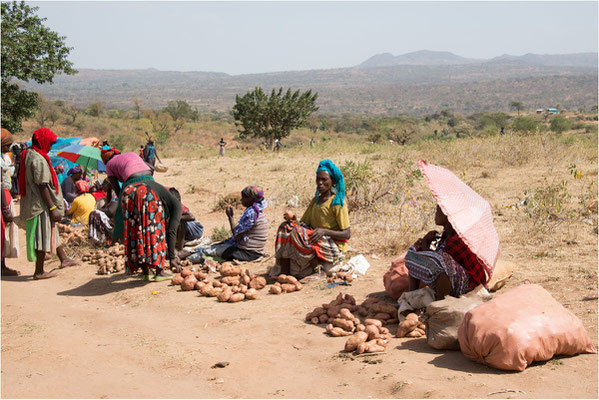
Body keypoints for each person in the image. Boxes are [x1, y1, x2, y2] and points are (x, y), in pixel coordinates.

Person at [102, 148, 181, 279]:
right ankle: (159, 272)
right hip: (146, 189)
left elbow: (118, 190)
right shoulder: (177, 206)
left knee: (137, 229)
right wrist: (172, 258)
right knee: (155, 230)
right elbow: (172, 231)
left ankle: (145, 271)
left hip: (128, 189)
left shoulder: (110, 165)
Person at [271, 160, 350, 279]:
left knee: (298, 232)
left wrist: (324, 231)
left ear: (332, 181)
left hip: (332, 245)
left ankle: (318, 270)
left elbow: (347, 234)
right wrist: (292, 220)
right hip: (316, 239)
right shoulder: (316, 201)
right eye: (318, 179)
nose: (320, 183)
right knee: (286, 227)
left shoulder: (337, 203)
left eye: (324, 180)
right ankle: (284, 269)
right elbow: (304, 224)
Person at [19, 128, 79, 279]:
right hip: (40, 204)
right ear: (43, 141)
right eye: (50, 143)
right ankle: (39, 271)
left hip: (37, 201)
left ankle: (63, 259)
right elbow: (42, 185)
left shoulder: (30, 154)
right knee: (42, 235)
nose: (51, 147)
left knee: (51, 230)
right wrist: (52, 207)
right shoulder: (38, 159)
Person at [404, 205, 488, 300]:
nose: (435, 214)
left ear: (447, 215)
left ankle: (441, 303)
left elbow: (442, 264)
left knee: (441, 261)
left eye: (437, 211)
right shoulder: (446, 234)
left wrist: (425, 247)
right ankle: (412, 296)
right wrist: (424, 244)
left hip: (470, 286)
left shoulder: (457, 238)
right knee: (415, 250)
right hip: (454, 279)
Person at [183, 185, 268, 263]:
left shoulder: (252, 214)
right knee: (212, 246)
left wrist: (230, 217)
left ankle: (186, 260)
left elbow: (236, 236)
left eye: (244, 197)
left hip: (247, 253)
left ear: (250, 199)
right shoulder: (258, 212)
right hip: (254, 251)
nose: (241, 200)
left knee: (206, 252)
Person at [101, 148, 153, 241]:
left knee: (121, 212)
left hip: (132, 179)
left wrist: (122, 201)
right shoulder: (131, 154)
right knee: (150, 206)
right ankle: (151, 235)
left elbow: (116, 187)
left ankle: (118, 239)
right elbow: (151, 168)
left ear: (104, 160)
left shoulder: (109, 165)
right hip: (149, 176)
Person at [1, 129, 20, 276]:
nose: (9, 148)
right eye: (7, 145)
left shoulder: (3, 157)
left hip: (6, 196)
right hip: (2, 198)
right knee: (2, 232)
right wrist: (5, 208)